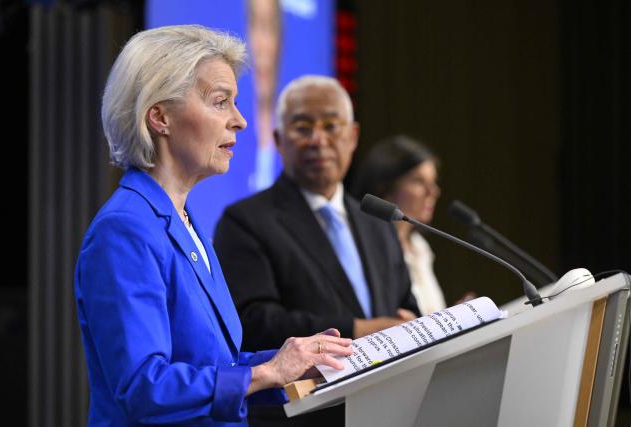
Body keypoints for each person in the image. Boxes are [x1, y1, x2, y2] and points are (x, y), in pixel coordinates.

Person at [74, 25, 352, 427]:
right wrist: (267, 373)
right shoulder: (125, 231)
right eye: (220, 102)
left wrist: (295, 361)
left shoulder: (183, 221)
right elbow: (144, 388)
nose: (239, 121)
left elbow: (213, 364)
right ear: (160, 116)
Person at [214, 76, 418, 350]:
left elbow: (405, 306)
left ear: (353, 136)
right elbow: (252, 322)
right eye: (302, 127)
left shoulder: (378, 220)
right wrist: (356, 330)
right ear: (279, 140)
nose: (318, 140)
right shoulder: (245, 222)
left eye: (331, 126)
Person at [352, 135, 474, 315]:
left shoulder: (419, 246)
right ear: (384, 186)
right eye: (418, 181)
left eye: (433, 182)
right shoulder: (364, 247)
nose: (433, 192)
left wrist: (452, 317)